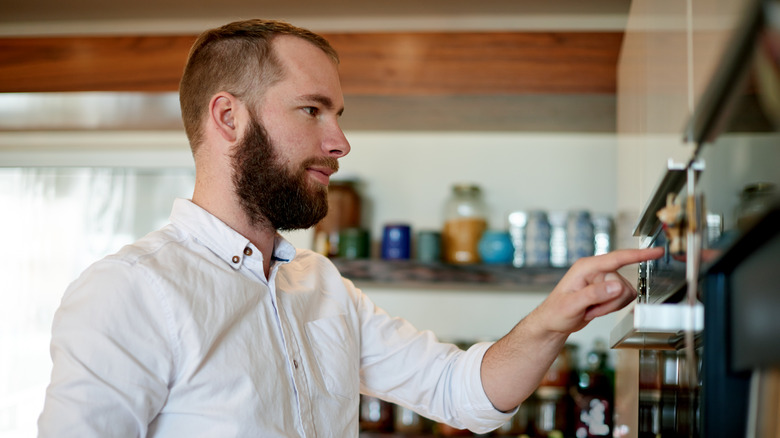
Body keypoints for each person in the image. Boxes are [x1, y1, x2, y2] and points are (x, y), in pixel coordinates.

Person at [37, 19, 664, 437]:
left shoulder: (322, 285)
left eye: (336, 114)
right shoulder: (128, 290)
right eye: (312, 110)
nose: (339, 142)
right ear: (228, 117)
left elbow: (460, 392)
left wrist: (557, 315)